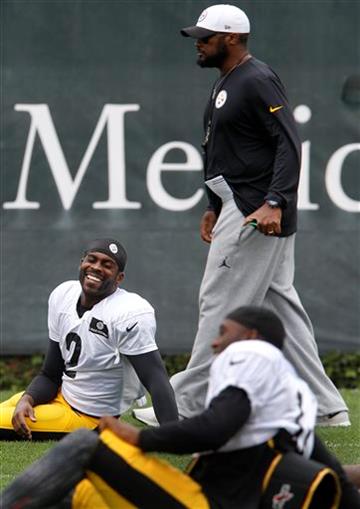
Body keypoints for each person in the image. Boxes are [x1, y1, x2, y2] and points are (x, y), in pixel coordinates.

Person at [134, 3, 349, 427]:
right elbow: (225, 151)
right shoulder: (229, 81)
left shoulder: (257, 78)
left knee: (219, 299)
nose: (198, 44)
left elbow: (289, 142)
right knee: (281, 308)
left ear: (231, 38)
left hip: (255, 206)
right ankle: (327, 407)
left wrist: (276, 201)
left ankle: (185, 402)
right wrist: (214, 206)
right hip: (237, 201)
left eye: (206, 37)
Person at [2, 307, 360, 509]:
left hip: (204, 504)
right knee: (82, 496)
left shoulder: (251, 354)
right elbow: (334, 476)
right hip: (206, 496)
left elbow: (215, 427)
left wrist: (141, 437)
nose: (217, 341)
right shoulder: (292, 393)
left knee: (88, 446)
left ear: (250, 336)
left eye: (224, 331)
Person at [0, 238, 178, 440]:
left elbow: (156, 379)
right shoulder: (63, 295)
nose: (96, 267)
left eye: (106, 265)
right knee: (16, 407)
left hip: (87, 417)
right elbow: (50, 374)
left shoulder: (128, 312)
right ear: (81, 263)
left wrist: (173, 437)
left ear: (119, 278)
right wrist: (27, 399)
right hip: (60, 394)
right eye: (92, 260)